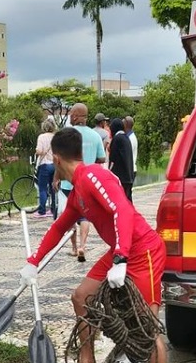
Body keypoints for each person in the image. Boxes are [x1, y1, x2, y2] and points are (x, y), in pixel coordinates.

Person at [19, 127, 167, 363]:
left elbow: (122, 208)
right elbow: (58, 228)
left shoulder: (93, 176)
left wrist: (121, 256)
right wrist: (34, 261)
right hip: (121, 251)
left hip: (143, 250)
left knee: (148, 329)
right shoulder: (77, 193)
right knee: (81, 296)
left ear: (56, 160)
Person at [57, 103, 105, 262]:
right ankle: (83, 245)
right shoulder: (95, 136)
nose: (70, 115)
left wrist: (56, 177)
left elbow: (59, 159)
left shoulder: (66, 135)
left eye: (71, 113)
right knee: (84, 216)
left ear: (76, 116)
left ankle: (73, 247)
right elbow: (102, 158)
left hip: (68, 184)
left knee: (70, 215)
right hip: (87, 185)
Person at [34, 119, 56, 218]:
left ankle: (42, 211)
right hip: (55, 165)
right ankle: (53, 209)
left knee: (42, 188)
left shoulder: (41, 137)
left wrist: (36, 150)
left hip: (45, 164)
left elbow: (40, 151)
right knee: (53, 188)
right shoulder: (56, 137)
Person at [109, 118, 134, 202]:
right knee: (128, 201)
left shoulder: (117, 139)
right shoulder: (126, 138)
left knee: (119, 202)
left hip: (121, 177)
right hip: (129, 176)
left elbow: (113, 158)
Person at [124, 116, 138, 181]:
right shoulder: (128, 137)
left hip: (130, 170)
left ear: (126, 124)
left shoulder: (131, 138)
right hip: (129, 169)